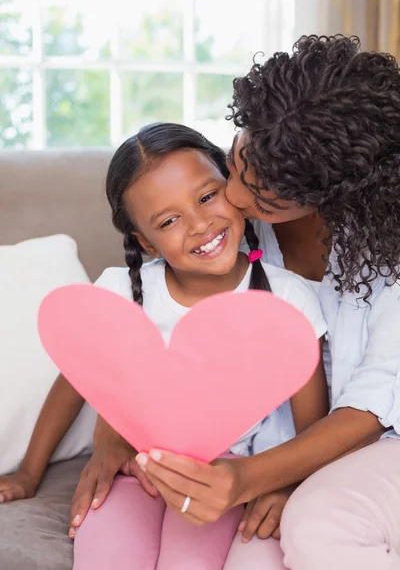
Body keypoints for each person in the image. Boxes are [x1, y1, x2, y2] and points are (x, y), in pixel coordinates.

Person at [70, 35, 400, 570]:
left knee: (305, 533)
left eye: (265, 196)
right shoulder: (221, 225)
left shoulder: (385, 256)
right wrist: (113, 430)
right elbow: (133, 333)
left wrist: (269, 475)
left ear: (330, 196)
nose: (236, 197)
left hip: (369, 442)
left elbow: (372, 403)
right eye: (238, 163)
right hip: (257, 449)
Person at [0, 123, 328, 570]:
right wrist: (28, 472)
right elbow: (77, 379)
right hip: (136, 468)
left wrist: (285, 484)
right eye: (169, 221)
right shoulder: (123, 292)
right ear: (146, 242)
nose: (200, 225)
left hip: (224, 476)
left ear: (233, 186)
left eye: (207, 196)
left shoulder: (289, 301)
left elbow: (313, 426)